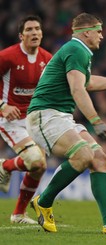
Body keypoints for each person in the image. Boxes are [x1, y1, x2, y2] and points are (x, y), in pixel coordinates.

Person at [26, 12, 106, 234]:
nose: (102, 36)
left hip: (60, 116)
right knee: (83, 155)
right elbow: (77, 89)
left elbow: (87, 82)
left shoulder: (77, 51)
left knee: (100, 158)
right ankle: (43, 202)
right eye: (99, 31)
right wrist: (96, 121)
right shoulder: (76, 49)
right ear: (87, 33)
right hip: (45, 115)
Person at [0, 15, 52, 224]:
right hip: (9, 119)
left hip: (33, 120)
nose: (34, 33)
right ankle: (6, 167)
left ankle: (18, 215)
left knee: (39, 167)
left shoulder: (47, 58)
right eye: (29, 29)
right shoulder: (7, 56)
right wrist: (2, 106)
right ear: (21, 35)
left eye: (37, 29)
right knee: (35, 160)